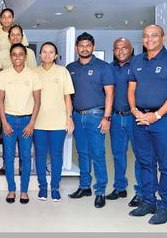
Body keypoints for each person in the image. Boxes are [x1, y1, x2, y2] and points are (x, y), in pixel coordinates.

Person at [128, 25, 167, 225]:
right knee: (145, 162)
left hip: (165, 120)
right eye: (145, 36)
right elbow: (131, 88)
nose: (149, 39)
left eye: (154, 35)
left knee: (166, 165)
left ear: (163, 37)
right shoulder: (136, 61)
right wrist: (135, 110)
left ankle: (165, 207)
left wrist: (157, 115)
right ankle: (148, 201)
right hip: (140, 118)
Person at [66, 32, 114, 208]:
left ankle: (100, 190)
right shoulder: (70, 68)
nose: (84, 48)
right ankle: (84, 186)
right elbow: (68, 96)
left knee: (98, 154)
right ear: (76, 48)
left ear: (93, 47)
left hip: (96, 116)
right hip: (78, 116)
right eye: (81, 45)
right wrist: (69, 116)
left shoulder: (104, 67)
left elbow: (110, 93)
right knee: (82, 153)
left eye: (88, 45)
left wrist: (107, 117)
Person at [0, 43, 41, 204]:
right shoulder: (4, 75)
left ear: (25, 56)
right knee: (8, 157)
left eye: (20, 54)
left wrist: (31, 123)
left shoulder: (33, 75)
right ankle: (11, 190)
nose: (17, 57)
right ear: (10, 57)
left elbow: (37, 102)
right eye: (14, 54)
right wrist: (4, 123)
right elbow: (0, 100)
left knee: (26, 157)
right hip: (8, 120)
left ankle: (24, 191)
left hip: (26, 121)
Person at [34, 42, 74, 202]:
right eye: (44, 52)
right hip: (38, 123)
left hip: (58, 122)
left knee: (56, 156)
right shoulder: (33, 72)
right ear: (40, 54)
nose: (47, 55)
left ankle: (55, 187)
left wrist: (69, 118)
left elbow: (67, 97)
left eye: (51, 52)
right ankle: (43, 187)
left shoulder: (62, 72)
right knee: (40, 155)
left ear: (56, 56)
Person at [106, 37, 143, 207]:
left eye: (124, 48)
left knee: (140, 156)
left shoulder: (139, 65)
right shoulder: (109, 68)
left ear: (131, 49)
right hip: (115, 117)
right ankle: (120, 187)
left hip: (134, 118)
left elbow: (154, 86)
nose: (121, 51)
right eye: (117, 48)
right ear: (113, 51)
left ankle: (141, 192)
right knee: (118, 155)